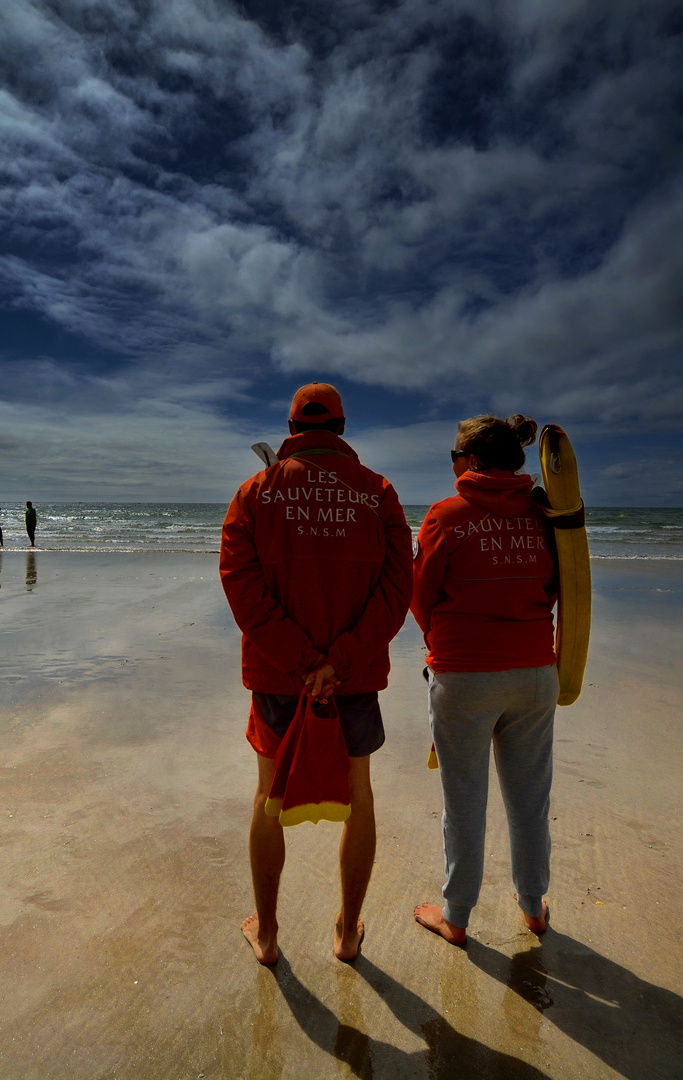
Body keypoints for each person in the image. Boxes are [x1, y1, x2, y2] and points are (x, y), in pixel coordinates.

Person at [220, 382, 413, 965]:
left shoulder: (254, 491)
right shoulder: (378, 492)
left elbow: (241, 587)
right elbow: (398, 587)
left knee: (267, 796)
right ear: (343, 426)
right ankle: (347, 931)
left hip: (280, 676)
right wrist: (338, 661)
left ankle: (271, 933)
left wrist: (305, 664)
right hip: (349, 679)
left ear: (292, 426)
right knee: (360, 797)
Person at [410, 414, 559, 947]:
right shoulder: (548, 514)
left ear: (470, 461)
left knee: (465, 799)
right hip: (536, 672)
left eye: (453, 458)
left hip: (465, 675)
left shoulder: (447, 514)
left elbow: (420, 596)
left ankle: (456, 917)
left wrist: (440, 647)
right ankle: (533, 906)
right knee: (530, 799)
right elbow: (566, 585)